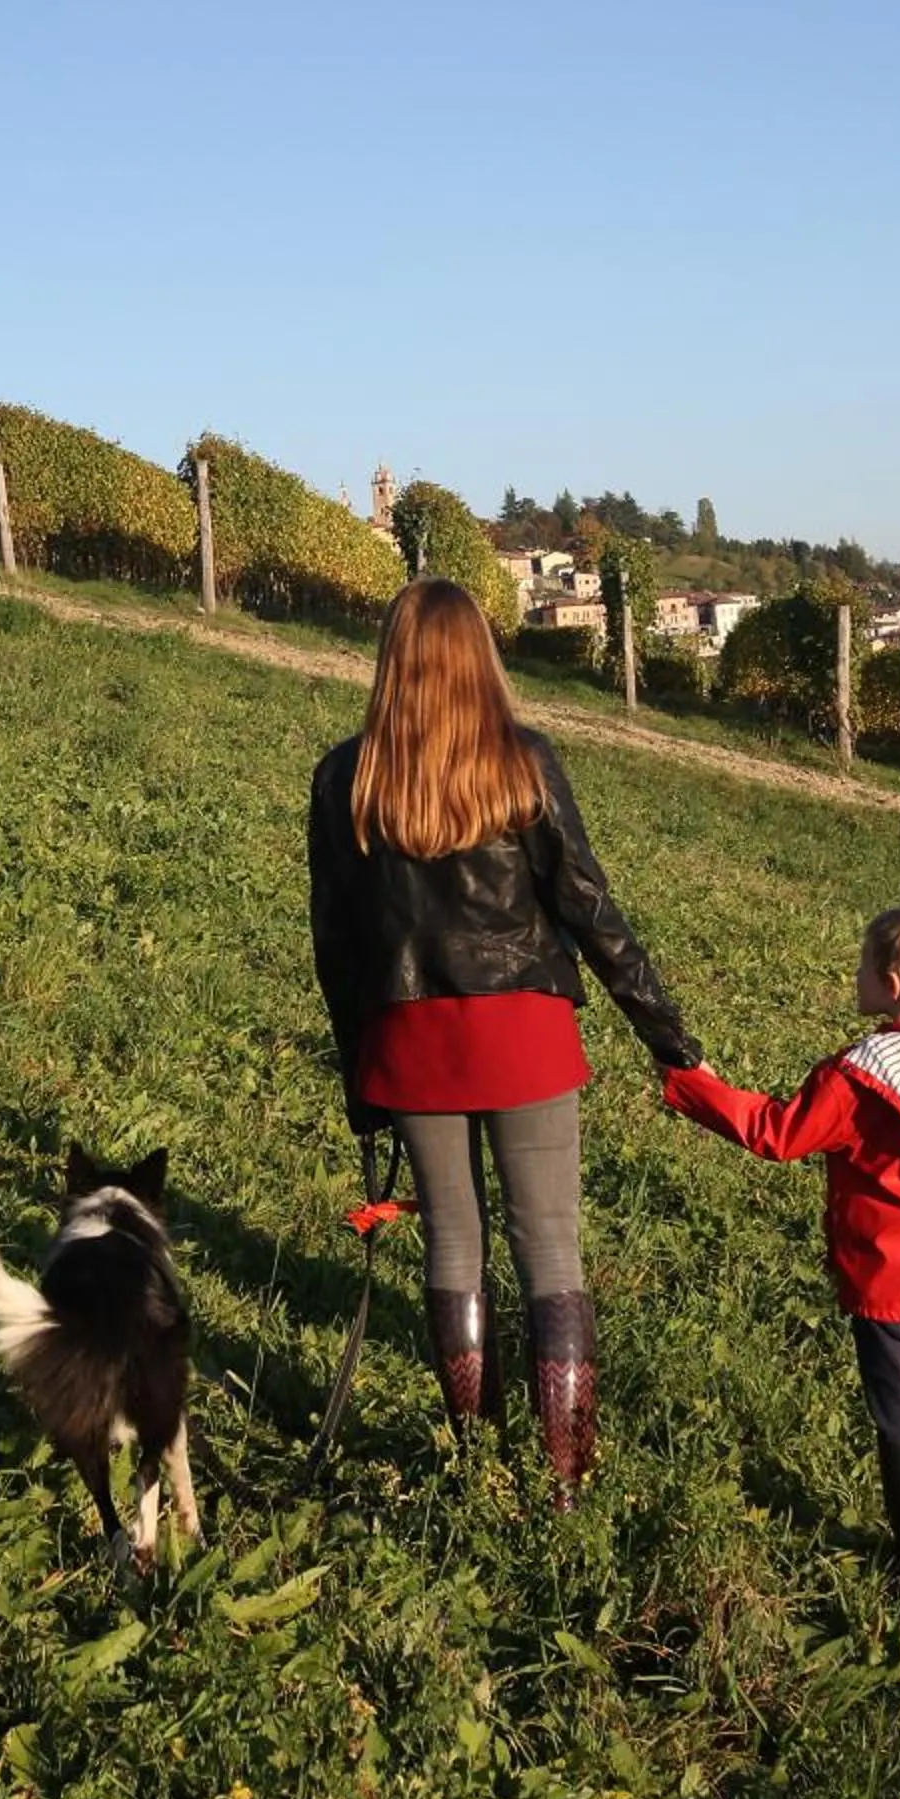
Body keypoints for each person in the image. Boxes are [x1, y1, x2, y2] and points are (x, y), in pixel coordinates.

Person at [307, 578, 700, 1506]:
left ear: (390, 659)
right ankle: (566, 1479)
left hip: (409, 1041)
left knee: (452, 1246)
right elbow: (588, 906)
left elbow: (337, 947)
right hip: (523, 1030)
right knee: (551, 1252)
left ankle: (474, 1459)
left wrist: (360, 1082)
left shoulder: (346, 778)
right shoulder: (522, 761)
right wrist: (668, 1037)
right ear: (481, 655)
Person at [659, 904, 900, 1605]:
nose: (855, 974)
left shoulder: (858, 1080)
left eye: (863, 965)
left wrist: (696, 1088)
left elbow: (778, 1134)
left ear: (892, 984)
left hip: (889, 1292)